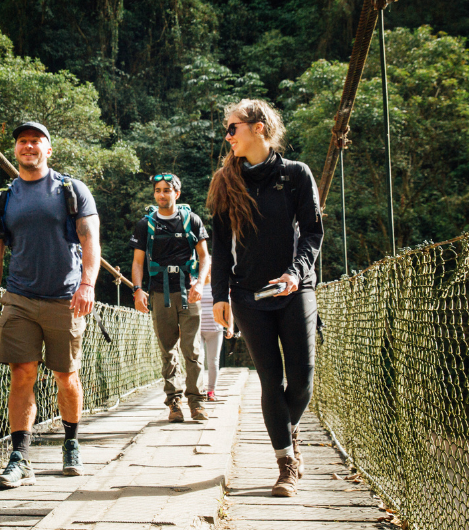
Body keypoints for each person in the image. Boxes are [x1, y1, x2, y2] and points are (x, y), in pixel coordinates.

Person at [207, 99, 323, 497]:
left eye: (233, 128)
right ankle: (285, 462)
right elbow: (221, 247)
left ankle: (287, 433)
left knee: (303, 379)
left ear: (259, 127)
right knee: (270, 380)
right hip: (247, 294)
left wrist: (297, 272)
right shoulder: (226, 180)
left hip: (295, 288)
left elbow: (312, 233)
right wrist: (218, 295)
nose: (228, 136)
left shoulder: (295, 175)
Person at [0, 121, 100, 489]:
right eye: (22, 142)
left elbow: (91, 241)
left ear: (49, 150)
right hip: (18, 298)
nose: (28, 146)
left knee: (66, 376)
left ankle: (71, 443)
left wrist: (88, 284)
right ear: (15, 150)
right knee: (22, 374)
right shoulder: (1, 201)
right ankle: (20, 458)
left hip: (65, 298)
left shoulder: (71, 190)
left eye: (36, 141)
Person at [129, 173, 211, 422]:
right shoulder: (145, 225)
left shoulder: (192, 221)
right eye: (158, 190)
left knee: (192, 350)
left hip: (189, 292)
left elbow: (205, 257)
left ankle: (196, 402)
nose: (162, 194)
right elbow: (137, 261)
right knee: (168, 351)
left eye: (167, 190)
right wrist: (137, 290)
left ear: (177, 193)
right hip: (159, 293)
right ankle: (174, 402)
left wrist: (200, 283)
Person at [199, 277, 232, 401]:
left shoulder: (219, 287)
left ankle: (211, 391)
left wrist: (230, 326)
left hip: (215, 330)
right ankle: (200, 389)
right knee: (198, 360)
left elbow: (229, 308)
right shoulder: (196, 284)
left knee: (213, 362)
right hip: (198, 330)